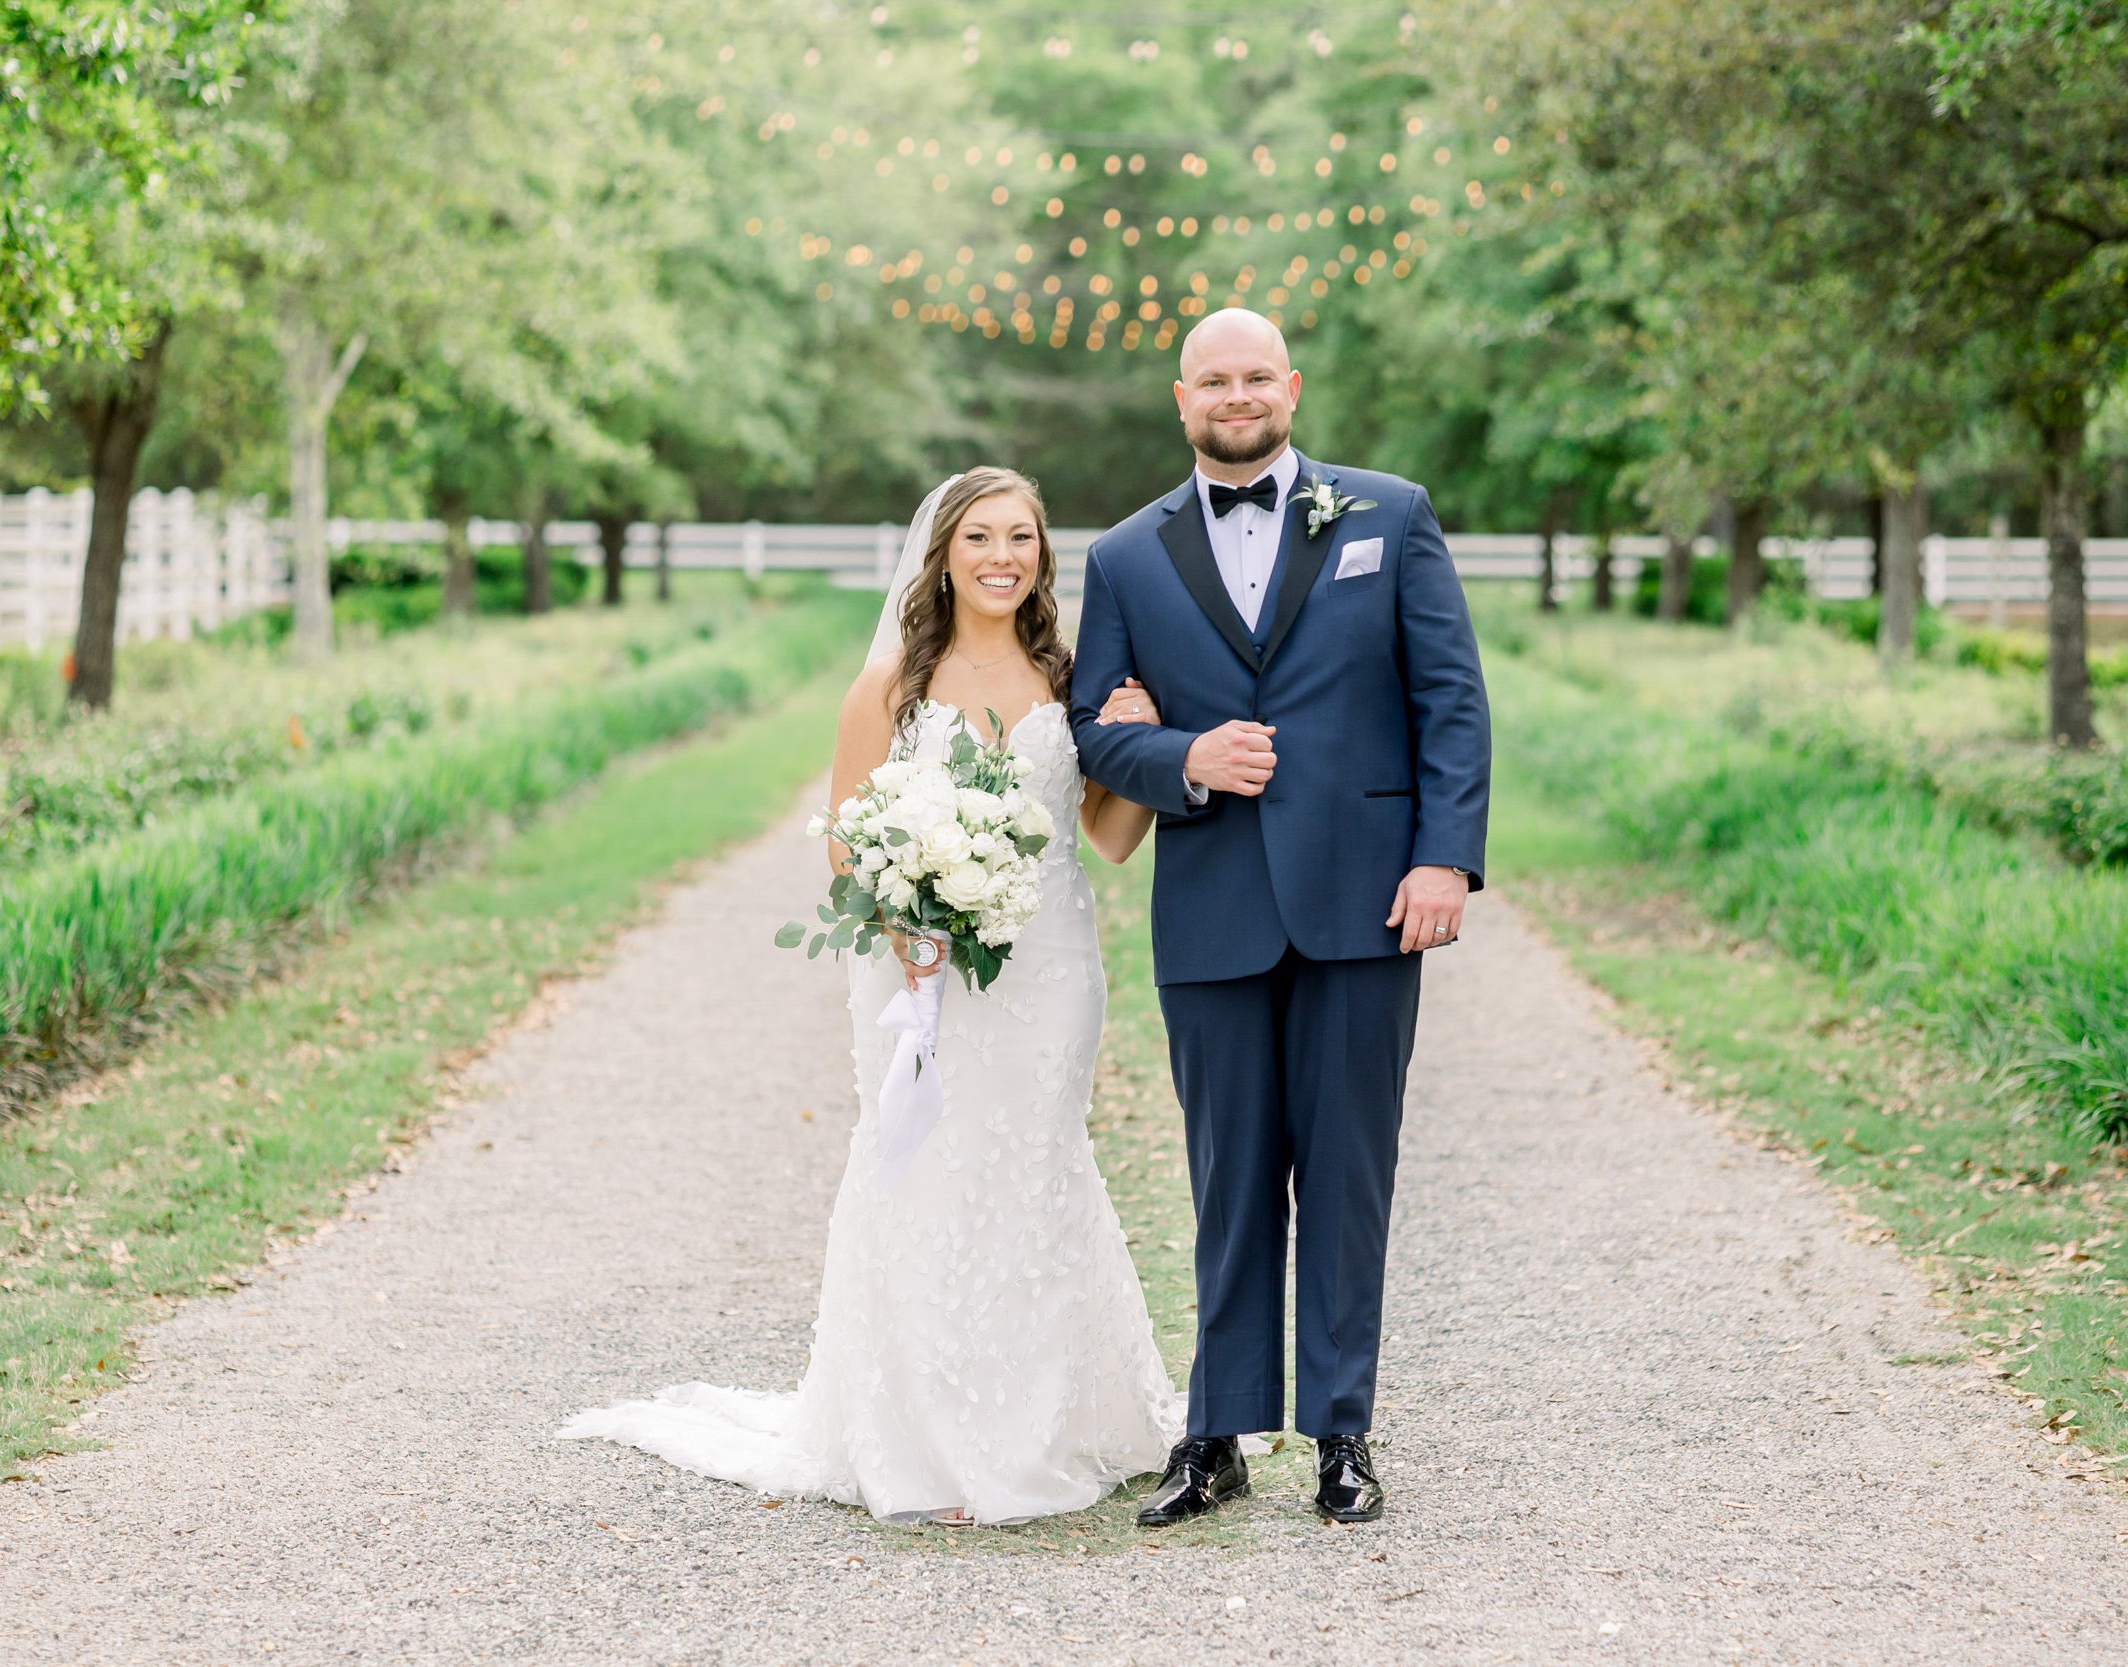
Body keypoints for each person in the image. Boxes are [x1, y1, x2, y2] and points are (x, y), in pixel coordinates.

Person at [559, 466, 1185, 1526]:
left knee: (1036, 1161)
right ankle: (931, 1441)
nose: (1001, 556)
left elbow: (1109, 840)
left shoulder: (1069, 674)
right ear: (942, 550)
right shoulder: (892, 682)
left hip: (1049, 962)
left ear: (1042, 554)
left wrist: (1142, 740)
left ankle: (1049, 1419)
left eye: (1020, 537)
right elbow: (849, 847)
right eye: (979, 536)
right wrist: (913, 922)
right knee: (925, 1162)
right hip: (918, 969)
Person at [1070, 308, 1493, 1526]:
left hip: (1367, 900)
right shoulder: (1126, 556)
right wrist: (1185, 754)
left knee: (1349, 1174)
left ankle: (1342, 1433)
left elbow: (1449, 700)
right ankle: (1214, 1431)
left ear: (1291, 388)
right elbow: (1095, 728)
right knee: (1227, 1177)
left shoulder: (1390, 514)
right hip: (1210, 906)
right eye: (1215, 379)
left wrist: (1444, 861)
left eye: (1256, 376)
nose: (1236, 394)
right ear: (1181, 396)